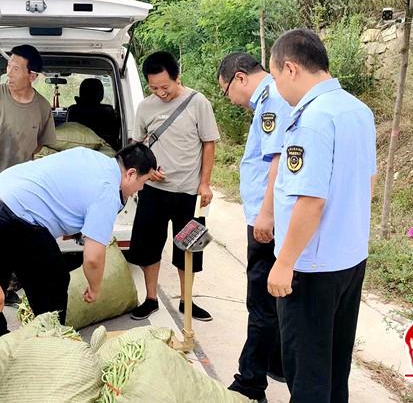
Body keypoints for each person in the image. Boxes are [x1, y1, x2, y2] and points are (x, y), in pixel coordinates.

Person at [266, 29, 378, 403]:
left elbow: (310, 200)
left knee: (308, 376)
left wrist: (284, 263)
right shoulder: (358, 110)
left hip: (311, 270)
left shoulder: (311, 119)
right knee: (334, 368)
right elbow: (368, 181)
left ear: (291, 69)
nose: (278, 88)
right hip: (350, 260)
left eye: (276, 77)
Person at [0, 143, 157, 346]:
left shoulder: (92, 158)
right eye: (144, 181)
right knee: (53, 281)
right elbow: (93, 258)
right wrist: (95, 288)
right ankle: (52, 344)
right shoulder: (108, 191)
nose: (140, 189)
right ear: (131, 174)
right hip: (18, 215)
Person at [127, 51, 220, 322]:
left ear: (177, 77)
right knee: (148, 247)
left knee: (189, 249)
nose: (160, 93)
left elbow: (208, 143)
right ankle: (150, 298)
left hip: (188, 193)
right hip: (154, 192)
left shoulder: (198, 102)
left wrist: (205, 183)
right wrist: (147, 172)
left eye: (164, 87)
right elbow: (137, 146)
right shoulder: (145, 107)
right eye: (154, 88)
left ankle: (186, 301)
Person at [217, 52, 288, 403]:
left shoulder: (272, 101)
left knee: (260, 302)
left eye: (226, 91)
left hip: (265, 220)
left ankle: (250, 383)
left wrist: (266, 214)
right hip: (267, 216)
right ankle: (277, 363)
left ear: (240, 77)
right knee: (273, 300)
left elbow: (278, 160)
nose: (230, 99)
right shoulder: (272, 98)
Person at [0, 44, 56, 176]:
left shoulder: (42, 107)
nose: (9, 73)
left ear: (32, 76)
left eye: (16, 69)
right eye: (9, 66)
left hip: (21, 178)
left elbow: (40, 144)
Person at [67, 78, 120, 148]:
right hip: (106, 149)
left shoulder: (73, 110)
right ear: (101, 95)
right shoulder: (108, 112)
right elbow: (114, 136)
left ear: (81, 93)